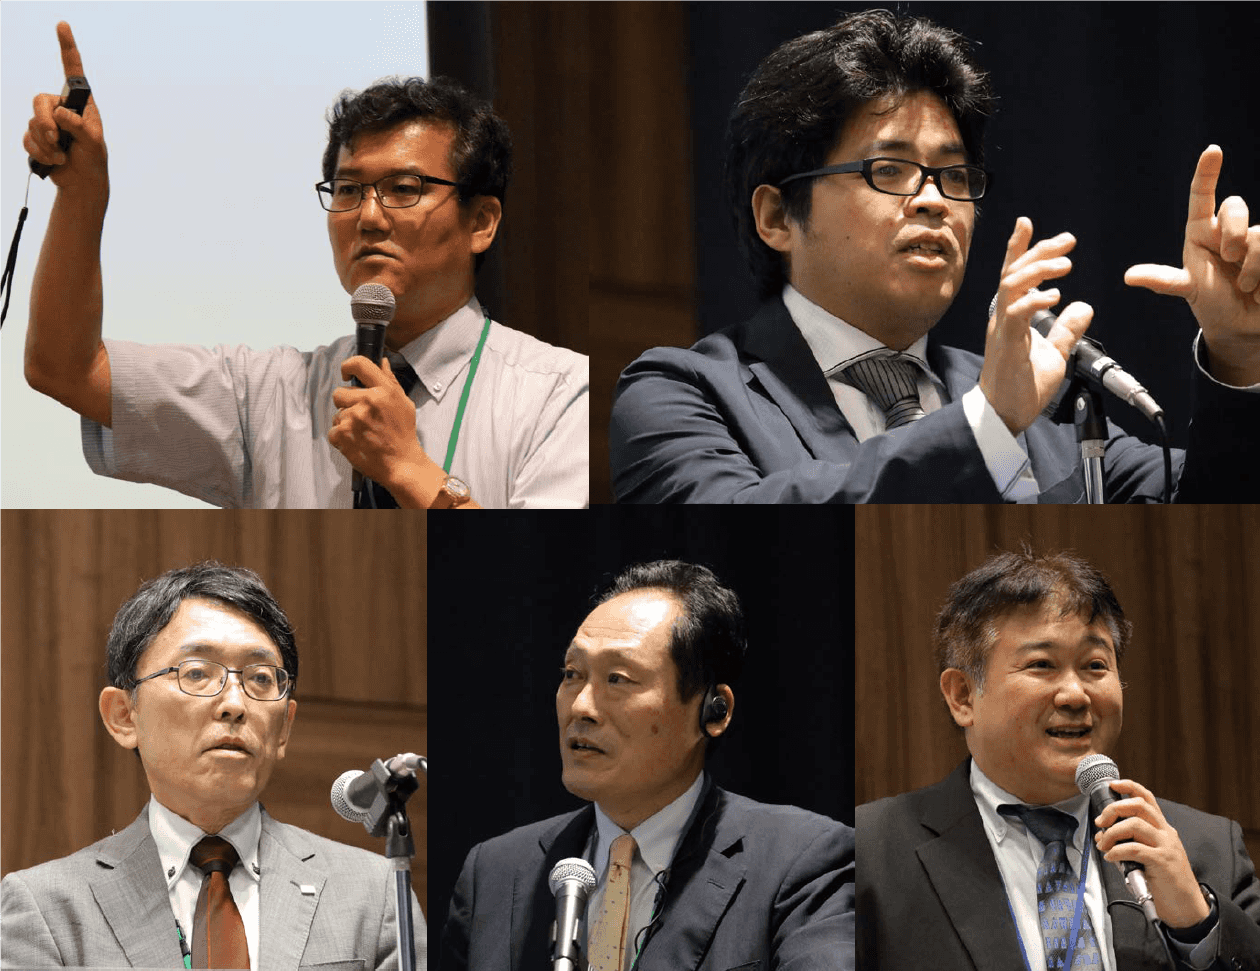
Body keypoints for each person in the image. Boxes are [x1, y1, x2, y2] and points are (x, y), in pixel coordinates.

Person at [608, 9, 1260, 503]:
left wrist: (1237, 353)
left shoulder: (1046, 398)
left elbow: (1214, 504)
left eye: (954, 176)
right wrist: (986, 424)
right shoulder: (681, 394)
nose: (933, 202)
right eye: (889, 170)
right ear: (778, 216)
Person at [22, 21, 588, 509]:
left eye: (404, 188)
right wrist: (82, 194)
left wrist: (408, 467)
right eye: (347, 190)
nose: (367, 216)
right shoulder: (268, 394)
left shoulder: (559, 393)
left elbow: (540, 570)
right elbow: (64, 368)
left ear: (482, 222)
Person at [0, 562, 426, 969]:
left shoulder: (374, 893)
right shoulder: (47, 909)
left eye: (260, 678)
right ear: (124, 716)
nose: (235, 705)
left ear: (284, 730)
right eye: (197, 672)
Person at [440, 560, 853, 970]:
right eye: (571, 674)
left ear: (714, 711)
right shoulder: (493, 872)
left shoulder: (803, 863)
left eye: (618, 679)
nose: (581, 707)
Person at [856, 549, 1260, 969]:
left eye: (1095, 665)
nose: (1075, 695)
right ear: (962, 696)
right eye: (1042, 664)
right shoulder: (870, 853)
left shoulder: (1207, 849)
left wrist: (1198, 923)